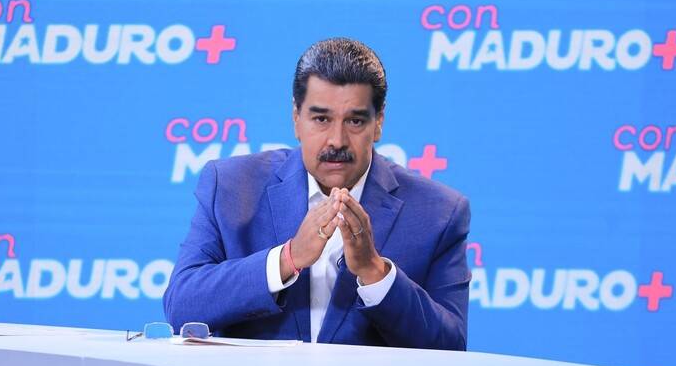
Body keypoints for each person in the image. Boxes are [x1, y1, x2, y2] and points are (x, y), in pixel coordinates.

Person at [163, 38, 471, 350]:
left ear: (378, 122)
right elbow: (182, 307)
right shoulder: (231, 187)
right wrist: (288, 258)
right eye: (321, 119)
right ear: (296, 118)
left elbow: (451, 346)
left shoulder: (439, 213)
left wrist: (374, 272)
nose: (337, 140)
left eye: (355, 121)